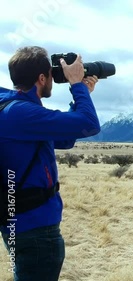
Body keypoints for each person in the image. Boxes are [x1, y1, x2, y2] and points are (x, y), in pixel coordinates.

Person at [0, 46, 101, 281]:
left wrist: (83, 94)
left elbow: (64, 138)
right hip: (35, 228)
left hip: (17, 221)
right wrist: (76, 85)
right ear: (42, 78)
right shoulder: (22, 114)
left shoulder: (12, 108)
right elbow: (89, 124)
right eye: (51, 75)